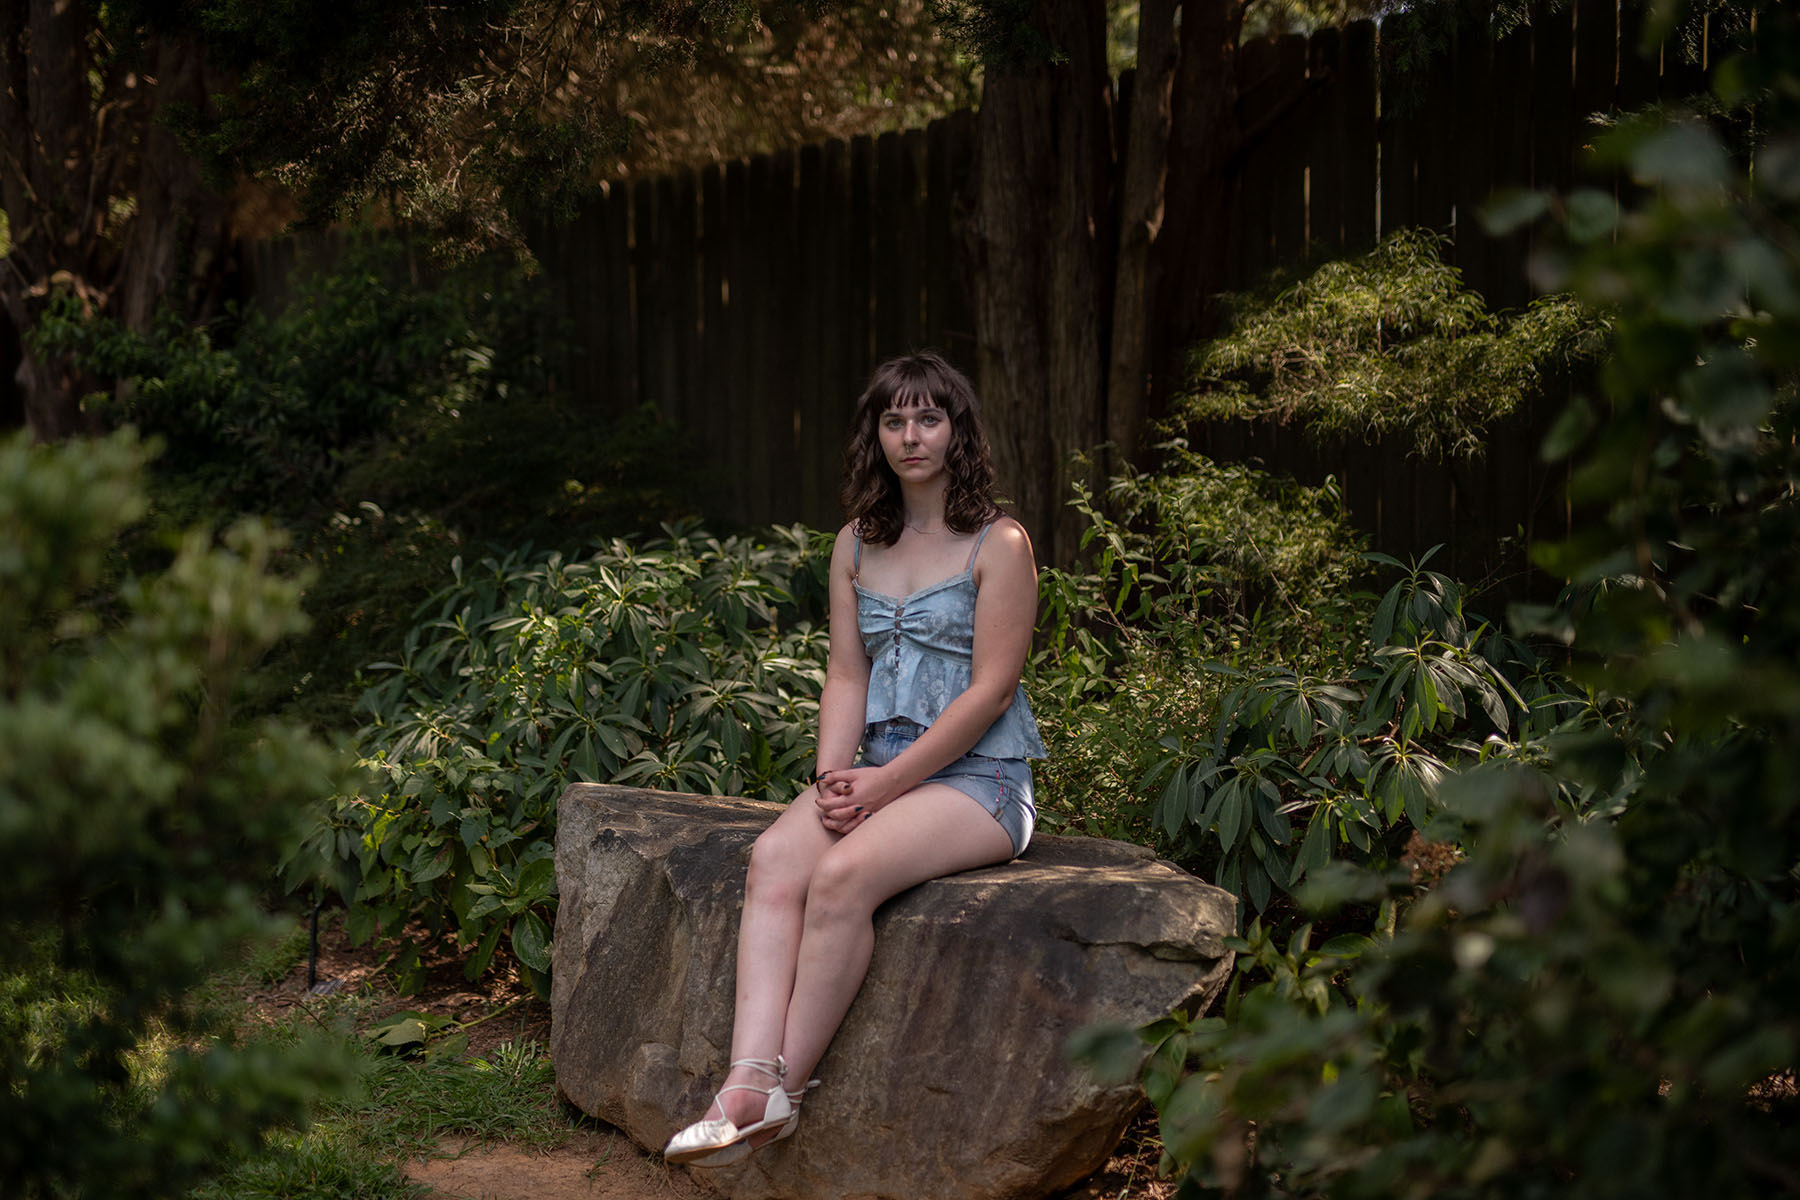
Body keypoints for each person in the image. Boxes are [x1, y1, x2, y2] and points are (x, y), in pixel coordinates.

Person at [663, 351, 1048, 1167]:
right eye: (894, 420)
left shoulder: (999, 543)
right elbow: (848, 672)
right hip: (875, 769)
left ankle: (781, 1093)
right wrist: (833, 779)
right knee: (774, 858)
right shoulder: (855, 544)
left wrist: (882, 788)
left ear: (958, 430)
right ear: (875, 434)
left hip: (981, 780)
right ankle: (741, 1085)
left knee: (840, 880)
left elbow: (990, 692)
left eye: (930, 418)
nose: (913, 436)